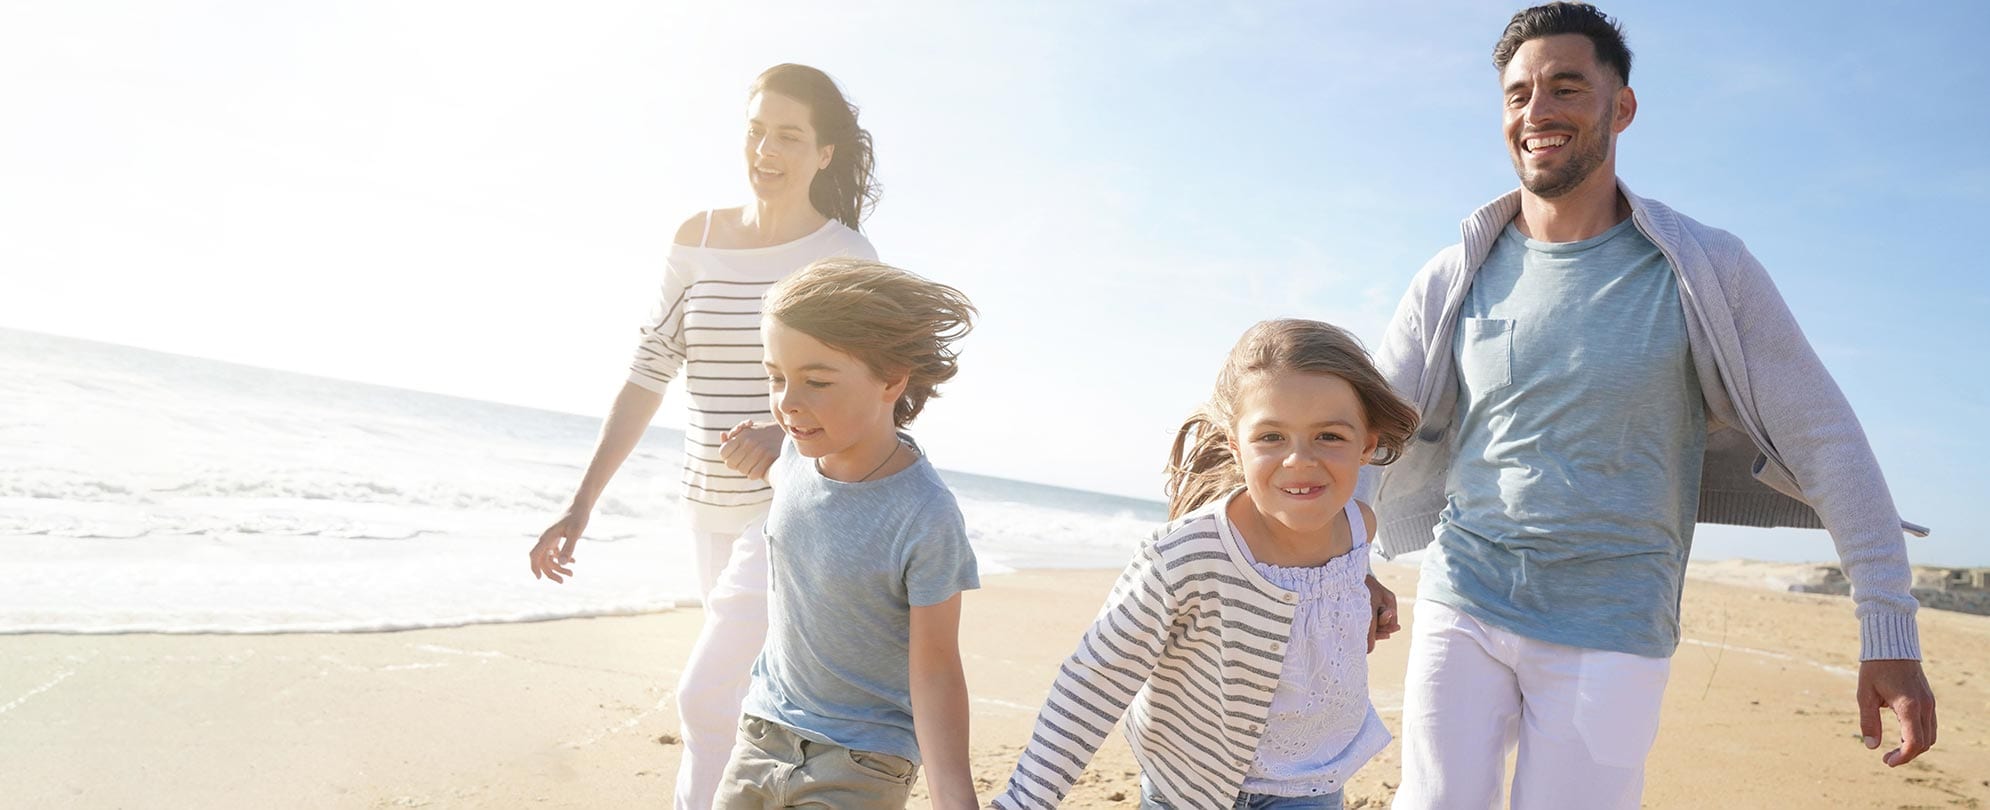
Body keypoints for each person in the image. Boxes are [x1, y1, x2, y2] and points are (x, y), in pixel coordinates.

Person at [1360, 5, 1939, 808]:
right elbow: (1369, 432)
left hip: (1615, 625)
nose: (1538, 112)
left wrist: (1890, 632)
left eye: (1566, 87)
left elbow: (1827, 440)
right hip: (1465, 597)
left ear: (1620, 107)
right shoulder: (1456, 269)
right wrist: (1343, 560)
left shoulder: (1706, 269)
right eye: (1518, 94)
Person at [524, 63, 881, 809]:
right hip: (707, 506)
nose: (766, 150)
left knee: (706, 698)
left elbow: (875, 396)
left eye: (789, 135)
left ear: (823, 153)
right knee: (749, 700)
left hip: (796, 511)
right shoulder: (700, 236)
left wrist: (788, 441)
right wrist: (581, 504)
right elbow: (650, 368)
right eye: (756, 131)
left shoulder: (844, 258)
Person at [991, 319, 1419, 809]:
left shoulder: (1358, 528)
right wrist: (1022, 802)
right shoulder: (1185, 556)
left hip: (1312, 785)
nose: (1299, 459)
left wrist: (1363, 583)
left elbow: (1330, 583)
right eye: (1272, 437)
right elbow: (1095, 679)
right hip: (1191, 787)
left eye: (1328, 436)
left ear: (1367, 443)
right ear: (1236, 445)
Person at [712, 258, 980, 809]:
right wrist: (756, 447)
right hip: (762, 733)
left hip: (863, 759)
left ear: (892, 379)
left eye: (815, 380)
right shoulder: (790, 461)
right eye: (775, 376)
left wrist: (954, 797)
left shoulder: (925, 516)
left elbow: (936, 669)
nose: (787, 401)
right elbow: (788, 474)